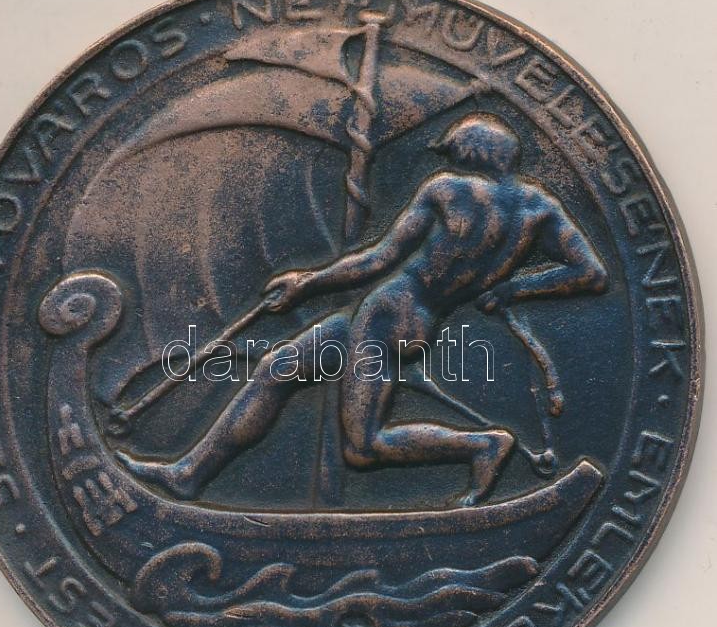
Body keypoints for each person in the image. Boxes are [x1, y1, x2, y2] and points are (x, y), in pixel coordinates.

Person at [118, 112, 609, 506]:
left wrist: (307, 283)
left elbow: (379, 259)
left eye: (457, 150)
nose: (455, 157)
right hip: (411, 319)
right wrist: (513, 288)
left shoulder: (447, 189)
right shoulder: (540, 208)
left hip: (388, 313)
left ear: (472, 152)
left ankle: (483, 445)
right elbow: (591, 274)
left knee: (363, 448)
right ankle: (189, 474)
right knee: (277, 369)